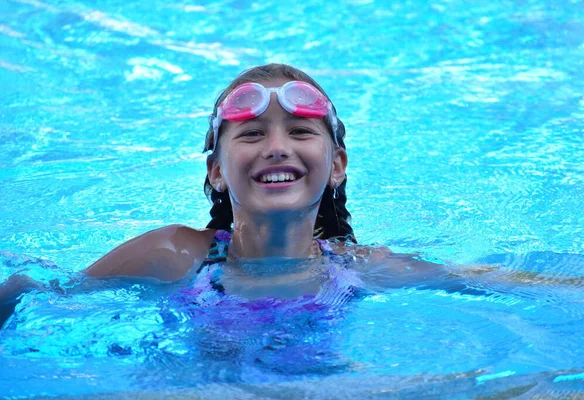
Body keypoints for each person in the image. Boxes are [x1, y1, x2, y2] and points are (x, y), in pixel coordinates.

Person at [0, 64, 462, 326]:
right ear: (217, 170)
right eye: (252, 134)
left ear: (336, 165)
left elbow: (506, 285)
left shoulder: (361, 267)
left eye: (300, 131)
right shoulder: (175, 256)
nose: (277, 148)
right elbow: (38, 292)